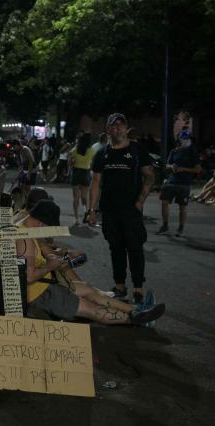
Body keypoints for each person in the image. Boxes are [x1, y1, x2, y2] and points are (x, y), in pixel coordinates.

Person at [17, 199, 165, 325]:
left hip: (44, 284)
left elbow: (33, 261)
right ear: (41, 224)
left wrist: (55, 258)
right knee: (90, 309)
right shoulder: (25, 239)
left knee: (88, 289)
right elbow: (29, 276)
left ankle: (136, 309)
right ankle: (138, 319)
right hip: (39, 292)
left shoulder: (23, 226)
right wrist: (51, 265)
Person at [88, 113, 154, 304]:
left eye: (121, 125)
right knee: (115, 248)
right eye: (113, 125)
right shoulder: (102, 154)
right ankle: (119, 286)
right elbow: (96, 183)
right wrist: (91, 211)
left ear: (126, 128)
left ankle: (138, 288)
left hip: (130, 210)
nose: (117, 128)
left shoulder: (137, 150)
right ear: (108, 129)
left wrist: (141, 200)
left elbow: (149, 176)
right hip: (109, 210)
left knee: (135, 248)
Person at [157, 130, 201, 236]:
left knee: (182, 207)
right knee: (164, 202)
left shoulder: (192, 151)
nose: (185, 141)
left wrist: (183, 169)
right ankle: (165, 225)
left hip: (184, 183)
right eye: (183, 139)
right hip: (171, 181)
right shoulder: (175, 151)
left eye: (187, 139)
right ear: (179, 140)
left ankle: (180, 228)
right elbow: (167, 165)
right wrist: (171, 167)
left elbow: (198, 169)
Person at [69, 132, 95, 225]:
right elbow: (92, 163)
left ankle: (76, 219)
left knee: (76, 198)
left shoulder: (75, 150)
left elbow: (70, 163)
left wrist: (72, 164)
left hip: (76, 173)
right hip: (86, 173)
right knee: (84, 197)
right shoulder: (91, 150)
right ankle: (85, 212)